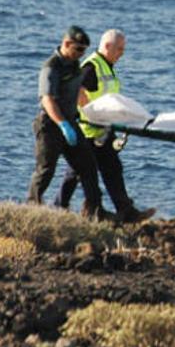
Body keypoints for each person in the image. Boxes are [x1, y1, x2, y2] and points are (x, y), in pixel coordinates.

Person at [53, 29, 156, 223]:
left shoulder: (107, 67)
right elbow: (78, 91)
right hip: (88, 131)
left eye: (123, 49)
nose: (122, 53)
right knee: (76, 173)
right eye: (119, 49)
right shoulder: (92, 66)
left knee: (112, 169)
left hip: (102, 129)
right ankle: (61, 209)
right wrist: (91, 111)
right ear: (107, 46)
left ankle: (124, 211)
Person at [26, 26, 113, 221]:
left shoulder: (74, 65)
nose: (81, 55)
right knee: (46, 170)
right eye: (78, 49)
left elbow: (79, 93)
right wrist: (63, 125)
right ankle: (32, 209)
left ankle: (95, 211)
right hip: (50, 126)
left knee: (88, 166)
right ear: (66, 44)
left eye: (84, 50)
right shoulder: (51, 67)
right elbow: (47, 100)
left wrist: (94, 116)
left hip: (71, 123)